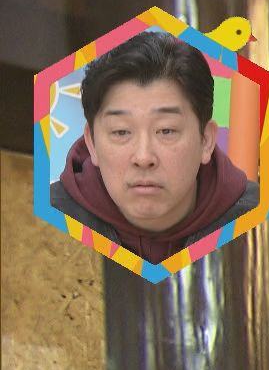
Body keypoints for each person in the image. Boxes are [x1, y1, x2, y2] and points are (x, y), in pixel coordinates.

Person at [48, 31, 258, 263]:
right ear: (92, 143)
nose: (143, 157)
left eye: (166, 130)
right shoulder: (49, 217)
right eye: (121, 132)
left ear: (206, 140)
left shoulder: (256, 221)